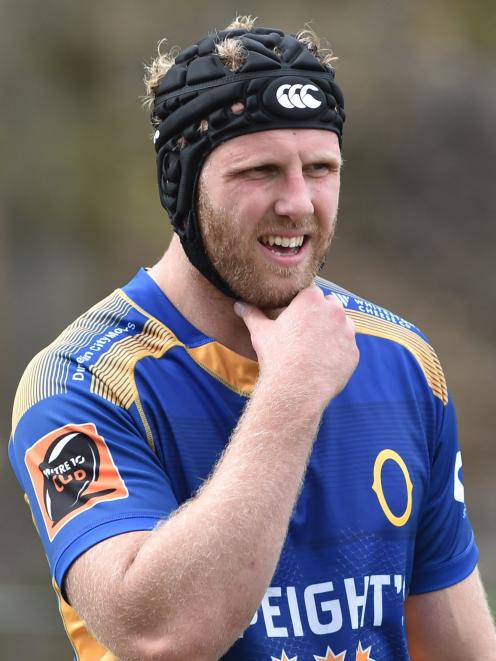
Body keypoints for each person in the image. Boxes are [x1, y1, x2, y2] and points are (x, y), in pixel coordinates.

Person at [8, 16, 495, 661]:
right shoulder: (81, 382)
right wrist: (292, 392)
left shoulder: (401, 360)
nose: (299, 203)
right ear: (181, 190)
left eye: (320, 168)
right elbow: (163, 636)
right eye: (260, 171)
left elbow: (459, 647)